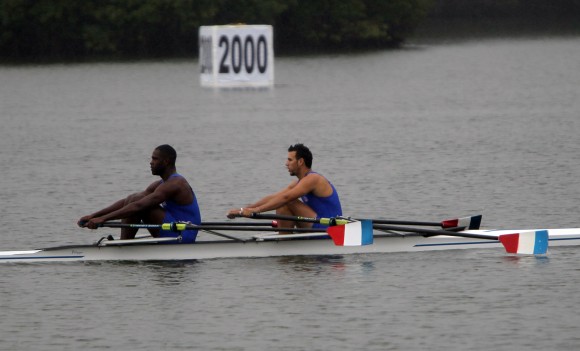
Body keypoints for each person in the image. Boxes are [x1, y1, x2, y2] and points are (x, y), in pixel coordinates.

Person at [78, 144, 201, 243]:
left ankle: (125, 246)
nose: (151, 162)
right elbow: (129, 201)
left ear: (166, 161)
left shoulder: (175, 184)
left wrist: (103, 219)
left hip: (183, 234)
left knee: (138, 201)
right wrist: (94, 215)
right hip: (173, 229)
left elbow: (138, 206)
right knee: (133, 197)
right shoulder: (161, 184)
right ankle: (125, 243)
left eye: (155, 159)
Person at [227, 143, 342, 230]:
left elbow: (286, 198)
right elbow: (275, 197)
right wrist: (245, 209)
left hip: (330, 229)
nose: (286, 164)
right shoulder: (298, 183)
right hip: (316, 225)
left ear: (300, 162)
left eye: (290, 160)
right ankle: (284, 241)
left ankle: (284, 247)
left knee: (287, 201)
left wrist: (255, 211)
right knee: (281, 203)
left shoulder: (313, 179)